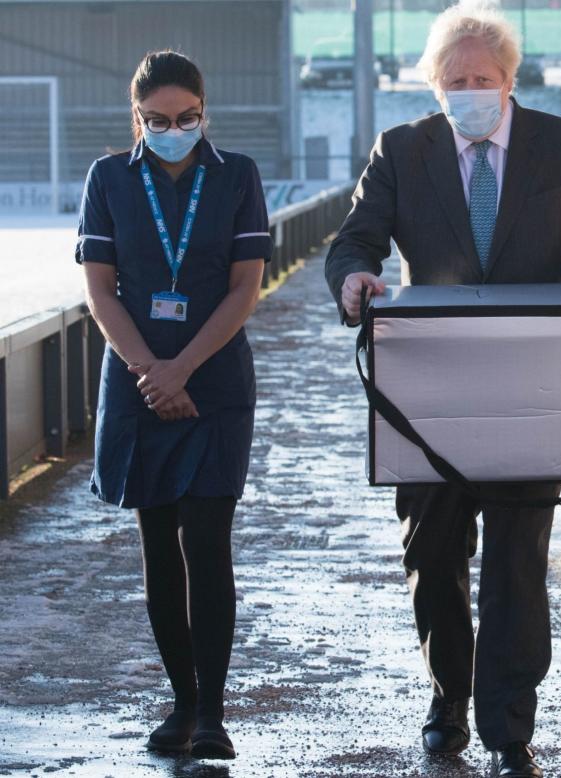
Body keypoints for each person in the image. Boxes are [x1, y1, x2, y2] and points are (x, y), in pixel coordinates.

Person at [323, 2, 561, 775]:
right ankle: (448, 698)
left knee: (517, 564)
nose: (470, 90)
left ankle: (506, 728)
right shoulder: (402, 150)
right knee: (432, 555)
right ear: (435, 86)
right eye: (455, 80)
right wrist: (355, 276)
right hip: (429, 388)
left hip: (532, 383)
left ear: (509, 81)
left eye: (483, 79)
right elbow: (356, 239)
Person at [77, 50, 271, 760]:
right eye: (157, 120)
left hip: (213, 382)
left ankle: (214, 712)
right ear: (137, 117)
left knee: (207, 540)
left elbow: (245, 287)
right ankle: (181, 701)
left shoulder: (237, 176)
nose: (172, 129)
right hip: (135, 383)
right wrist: (150, 373)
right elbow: (101, 290)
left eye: (186, 117)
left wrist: (181, 368)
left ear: (204, 110)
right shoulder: (108, 179)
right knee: (159, 546)